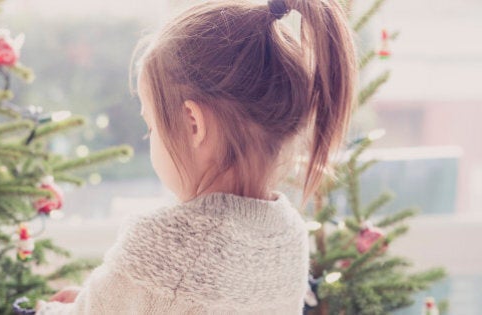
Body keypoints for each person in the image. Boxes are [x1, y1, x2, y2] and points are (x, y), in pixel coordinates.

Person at [36, 0, 355, 313]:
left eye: (152, 127)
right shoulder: (288, 235)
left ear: (193, 123)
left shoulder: (166, 244)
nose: (150, 139)